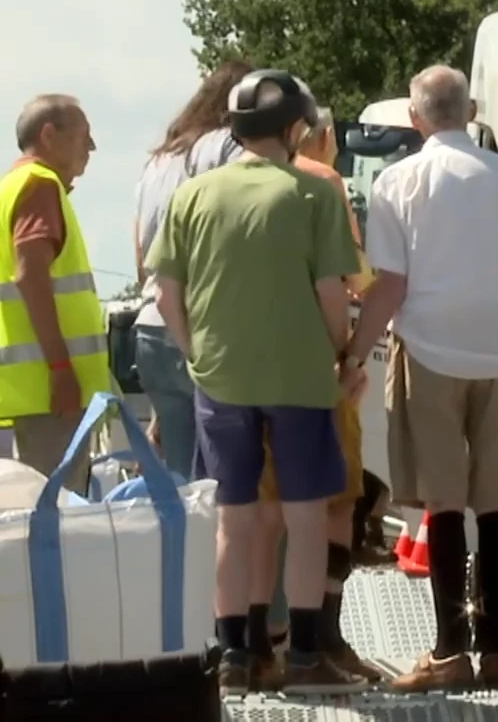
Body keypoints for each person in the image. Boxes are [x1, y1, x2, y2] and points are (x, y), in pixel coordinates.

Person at [345, 64, 498, 694]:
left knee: (444, 504)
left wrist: (356, 353)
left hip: (430, 349)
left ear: (416, 119)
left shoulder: (397, 181)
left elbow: (390, 284)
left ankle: (449, 650)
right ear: (471, 109)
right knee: (497, 504)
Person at [146, 70, 368, 696]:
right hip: (299, 377)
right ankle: (301, 656)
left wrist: (199, 355)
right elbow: (332, 292)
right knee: (303, 518)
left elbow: (166, 295)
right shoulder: (311, 194)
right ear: (295, 128)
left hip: (221, 379)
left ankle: (235, 660)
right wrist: (344, 354)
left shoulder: (192, 196)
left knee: (233, 522)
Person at [247, 97, 383, 686]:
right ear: (314, 135)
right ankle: (321, 638)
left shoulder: (224, 185)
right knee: (336, 503)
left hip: (249, 370)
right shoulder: (322, 182)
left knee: (260, 512)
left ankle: (255, 644)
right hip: (315, 369)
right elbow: (353, 279)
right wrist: (350, 355)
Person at [132, 59, 255, 480]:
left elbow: (141, 252)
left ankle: (183, 549)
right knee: (225, 484)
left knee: (181, 480)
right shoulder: (229, 145)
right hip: (204, 323)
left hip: (150, 322)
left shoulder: (160, 160)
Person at [0, 95, 109, 494]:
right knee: (58, 517)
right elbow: (31, 276)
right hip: (52, 395)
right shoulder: (39, 185)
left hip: (35, 392)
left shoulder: (13, 186)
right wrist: (61, 369)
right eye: (84, 136)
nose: (91, 148)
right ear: (48, 135)